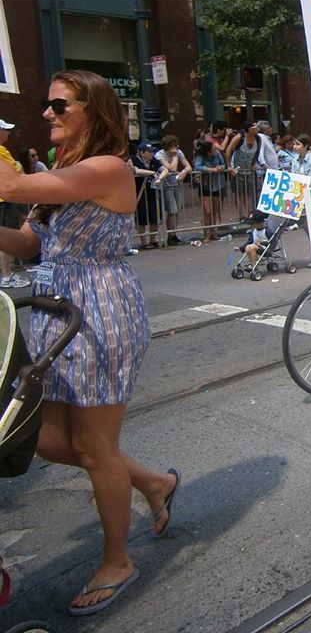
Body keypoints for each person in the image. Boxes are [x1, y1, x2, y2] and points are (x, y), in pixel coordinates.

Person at [0, 70, 178, 614]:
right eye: (46, 104)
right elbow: (30, 244)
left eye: (59, 105)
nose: (47, 113)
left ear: (93, 112)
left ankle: (118, 560)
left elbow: (6, 188)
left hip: (100, 314)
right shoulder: (61, 170)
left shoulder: (108, 168)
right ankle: (152, 482)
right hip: (55, 315)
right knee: (47, 441)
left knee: (94, 447)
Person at [0, 120, 28, 288]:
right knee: (8, 237)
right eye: (5, 130)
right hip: (3, 201)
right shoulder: (1, 150)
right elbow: (17, 172)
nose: (8, 134)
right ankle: (7, 275)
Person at [154, 134, 192, 245]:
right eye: (173, 146)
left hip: (177, 183)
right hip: (166, 184)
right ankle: (170, 234)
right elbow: (171, 168)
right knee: (172, 209)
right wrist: (175, 157)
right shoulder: (160, 155)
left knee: (177, 210)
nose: (175, 149)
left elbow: (189, 166)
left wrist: (184, 172)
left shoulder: (179, 152)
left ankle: (173, 233)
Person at [129, 141, 161, 248]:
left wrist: (160, 177)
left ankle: (154, 238)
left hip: (152, 191)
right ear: (142, 153)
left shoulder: (153, 160)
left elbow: (164, 169)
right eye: (149, 152)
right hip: (139, 192)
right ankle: (144, 241)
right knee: (142, 215)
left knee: (154, 214)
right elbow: (136, 171)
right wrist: (152, 173)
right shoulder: (134, 159)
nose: (152, 154)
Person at [192, 139, 226, 241]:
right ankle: (206, 233)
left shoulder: (217, 154)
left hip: (217, 183)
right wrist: (209, 169)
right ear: (208, 151)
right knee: (207, 210)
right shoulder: (200, 156)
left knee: (215, 210)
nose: (215, 151)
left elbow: (223, 164)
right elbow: (197, 166)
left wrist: (220, 167)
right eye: (213, 149)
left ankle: (213, 232)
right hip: (206, 185)